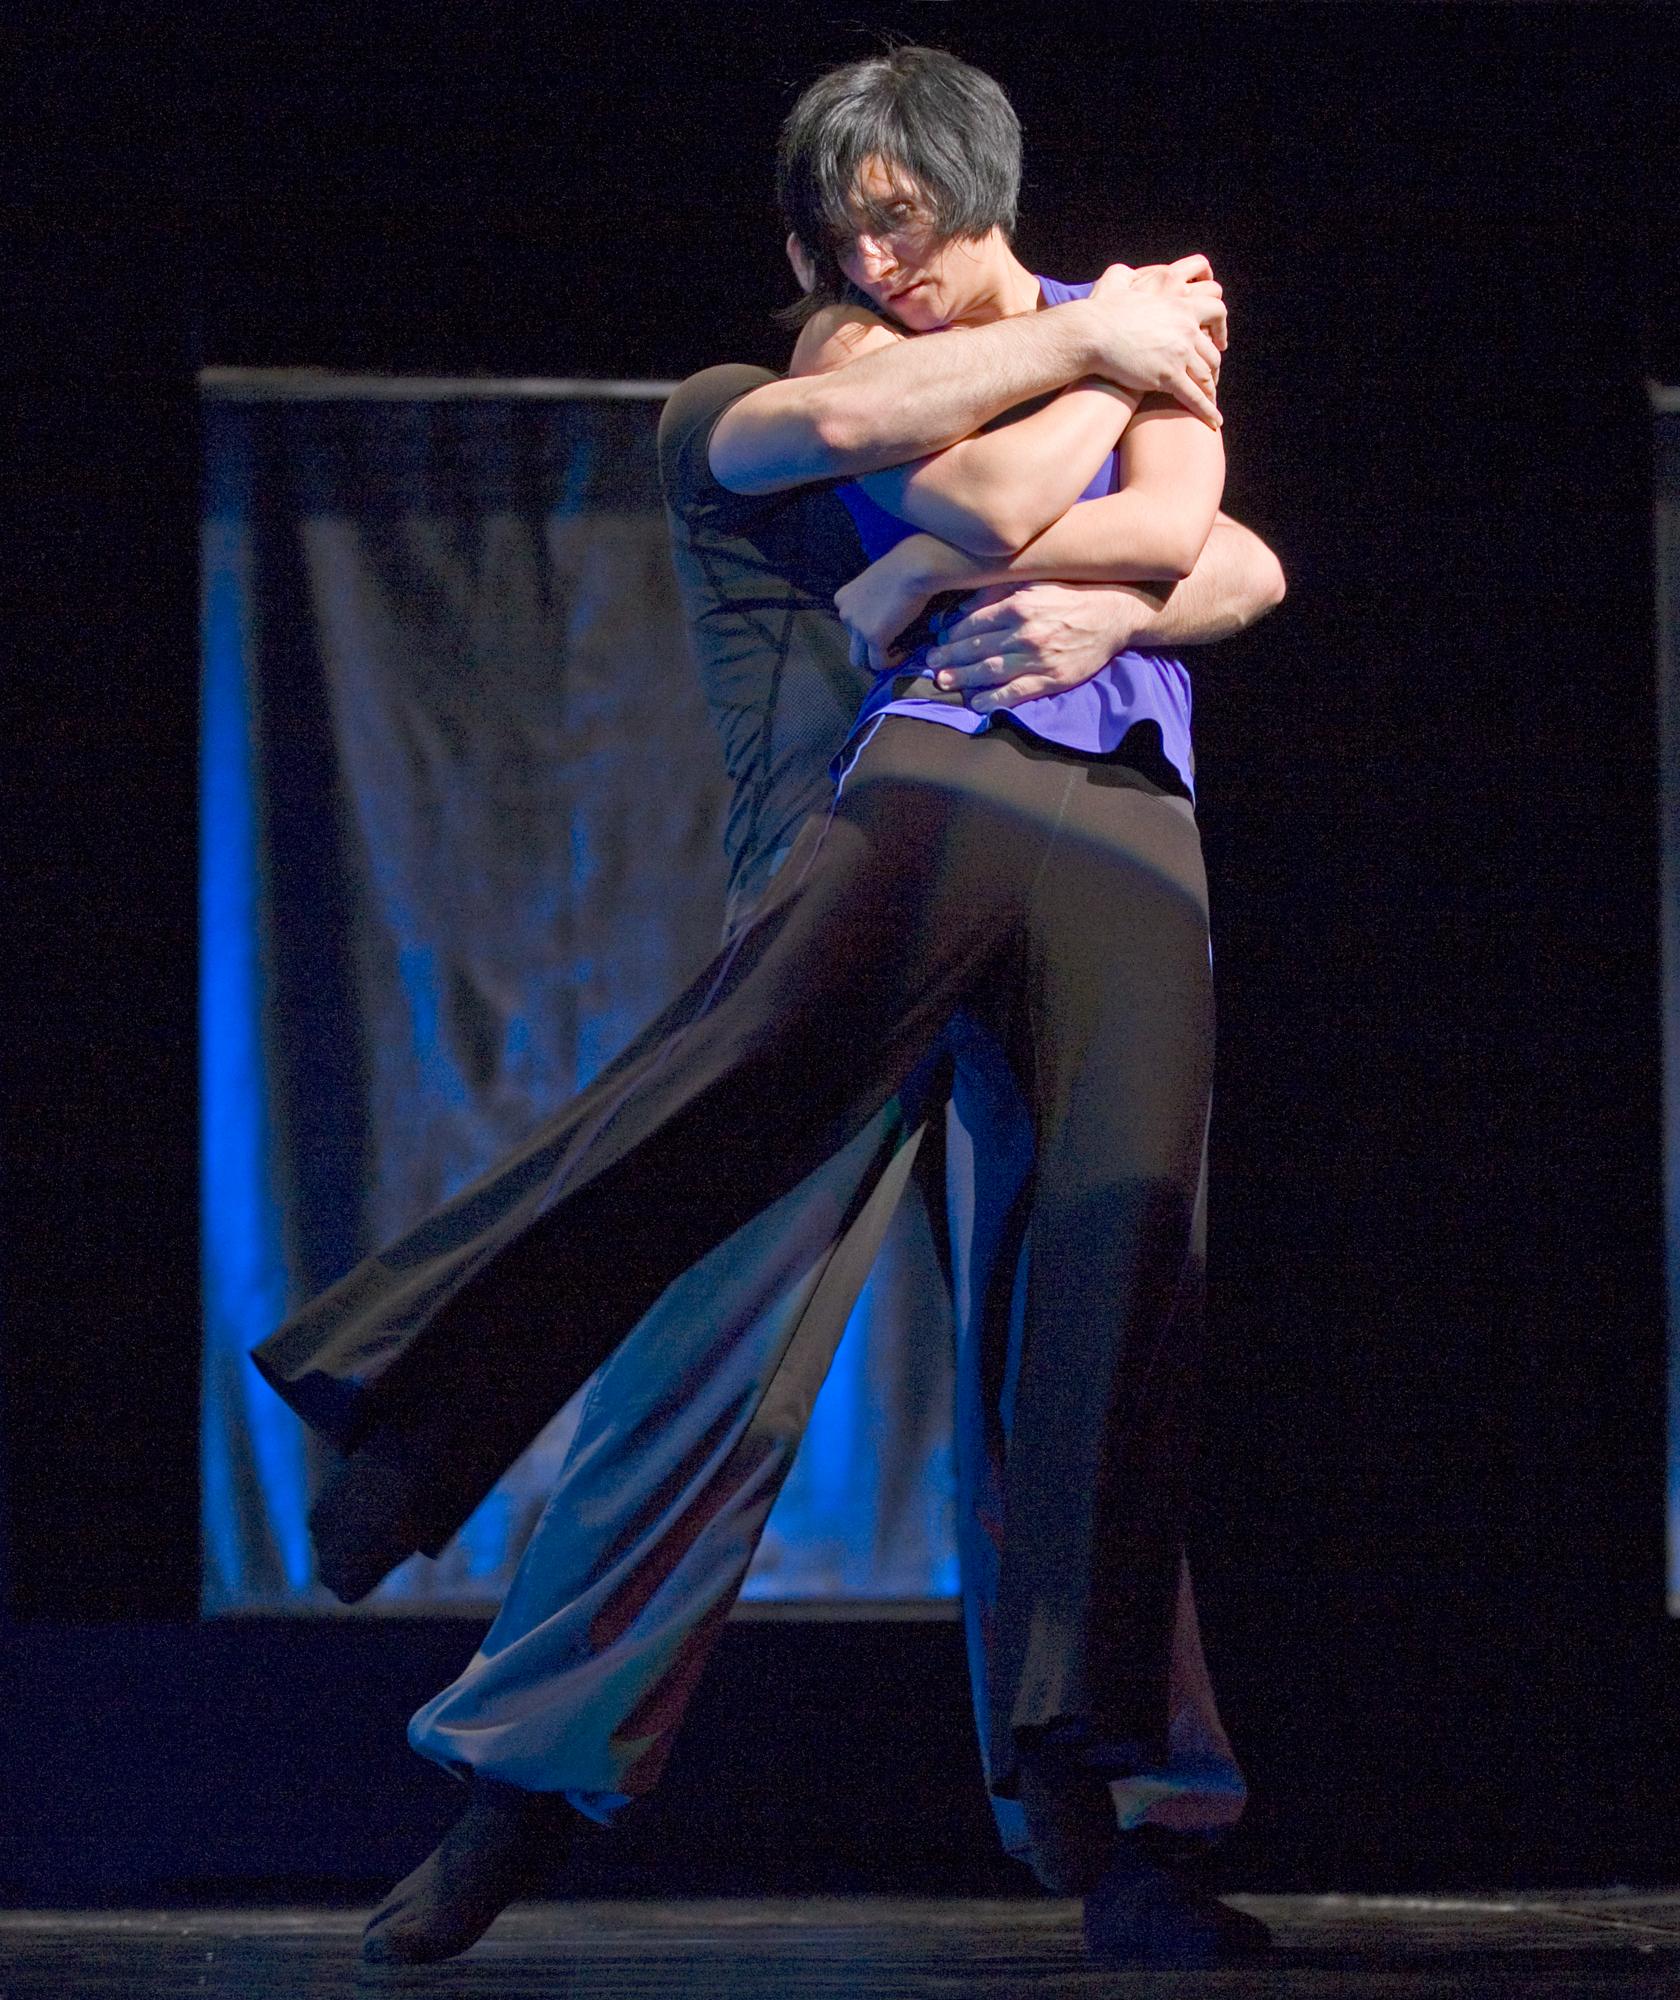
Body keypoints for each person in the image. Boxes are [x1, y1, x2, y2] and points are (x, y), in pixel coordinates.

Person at [255, 46, 1282, 1966]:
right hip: (847, 876)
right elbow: (956, 466)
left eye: (903, 221)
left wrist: (1121, 596)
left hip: (1083, 832)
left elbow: (1239, 555)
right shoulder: (782, 396)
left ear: (979, 194)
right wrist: (1108, 350)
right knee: (706, 1362)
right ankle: (516, 1780)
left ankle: (1121, 1817)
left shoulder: (1064, 339)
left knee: (1091, 1318)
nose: (875, 265)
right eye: (840, 237)